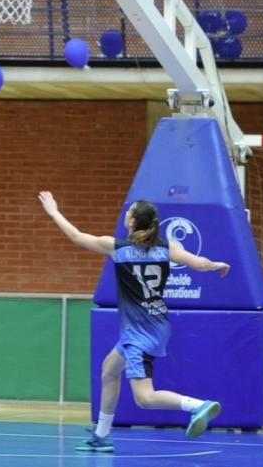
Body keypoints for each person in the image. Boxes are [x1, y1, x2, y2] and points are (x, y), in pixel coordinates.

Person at [38, 191, 230, 453]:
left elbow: (76, 236)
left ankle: (197, 406)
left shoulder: (118, 248)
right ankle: (102, 435)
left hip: (139, 331)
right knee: (109, 370)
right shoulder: (167, 248)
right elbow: (199, 263)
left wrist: (54, 212)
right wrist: (217, 264)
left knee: (144, 398)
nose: (126, 214)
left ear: (131, 222)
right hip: (157, 323)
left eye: (129, 212)